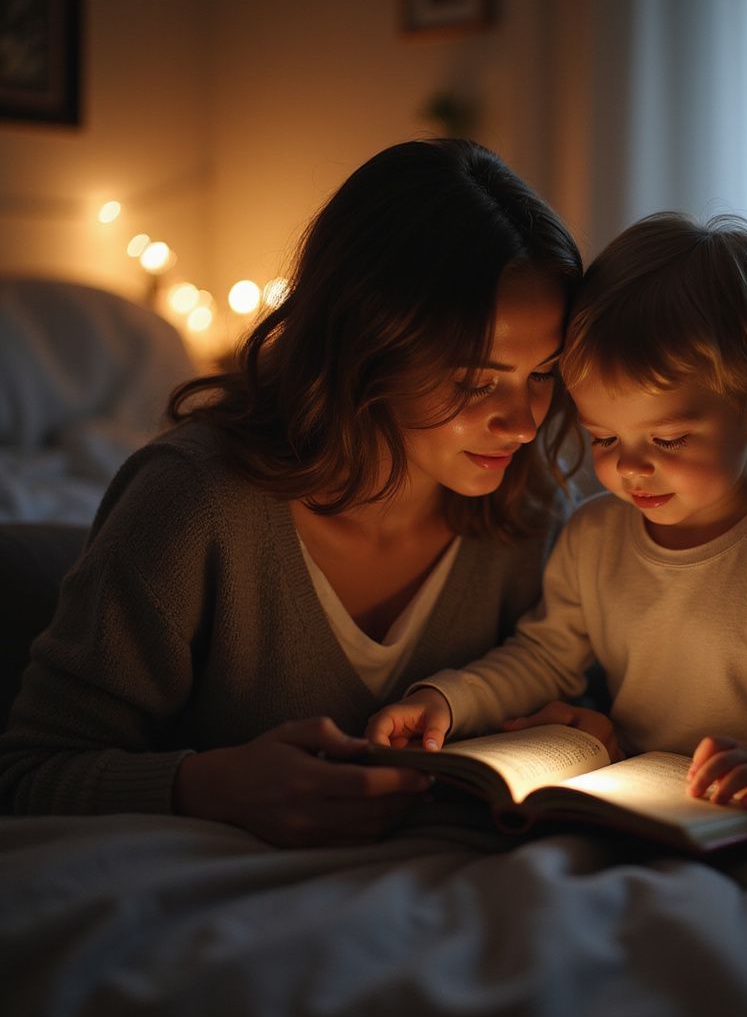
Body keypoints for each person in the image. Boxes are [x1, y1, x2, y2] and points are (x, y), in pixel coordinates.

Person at [0, 138, 583, 846]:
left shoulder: (528, 509)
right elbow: (27, 774)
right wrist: (204, 785)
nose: (522, 424)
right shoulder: (193, 502)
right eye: (473, 381)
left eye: (542, 374)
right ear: (366, 346)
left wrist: (584, 727)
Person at [367, 212, 747, 814]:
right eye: (604, 440)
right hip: (643, 799)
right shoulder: (592, 535)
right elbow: (547, 657)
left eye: (668, 441)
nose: (630, 469)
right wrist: (446, 702)